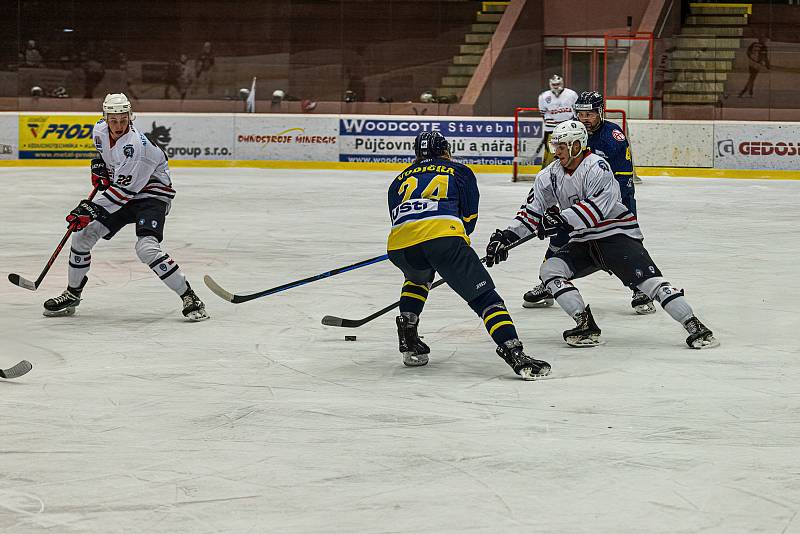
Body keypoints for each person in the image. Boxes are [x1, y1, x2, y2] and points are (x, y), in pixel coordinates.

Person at [486, 120, 717, 349]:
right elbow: (530, 213)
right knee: (550, 270)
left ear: (577, 145)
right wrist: (506, 237)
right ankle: (584, 324)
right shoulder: (548, 176)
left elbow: (598, 207)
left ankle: (694, 325)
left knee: (649, 283)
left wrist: (562, 219)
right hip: (583, 240)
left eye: (562, 146)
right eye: (555, 146)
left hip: (615, 234)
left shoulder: (598, 167)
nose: (556, 151)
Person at [386, 131, 550, 380]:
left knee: (418, 279)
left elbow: (400, 220)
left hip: (399, 247)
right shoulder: (459, 171)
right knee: (485, 298)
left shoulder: (398, 180)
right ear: (445, 151)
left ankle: (409, 334)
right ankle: (513, 351)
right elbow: (469, 219)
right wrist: (454, 250)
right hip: (443, 240)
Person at [43, 93, 209, 322]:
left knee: (147, 249)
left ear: (130, 117)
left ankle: (189, 296)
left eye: (123, 120)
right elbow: (105, 157)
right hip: (125, 193)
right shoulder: (99, 130)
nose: (119, 125)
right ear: (105, 118)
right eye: (114, 120)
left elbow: (122, 194)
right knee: (82, 237)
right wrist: (100, 166)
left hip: (151, 196)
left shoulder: (135, 147)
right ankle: (73, 293)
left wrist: (89, 210)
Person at [523, 91, 655, 314]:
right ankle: (549, 283)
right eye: (581, 113)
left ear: (600, 112)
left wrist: (610, 210)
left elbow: (622, 178)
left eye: (590, 114)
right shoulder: (570, 131)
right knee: (559, 236)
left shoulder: (613, 136)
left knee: (626, 241)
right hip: (577, 198)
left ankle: (639, 287)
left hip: (613, 198)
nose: (585, 118)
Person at [537, 74, 578, 168]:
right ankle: (546, 173)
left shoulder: (572, 94)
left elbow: (577, 111)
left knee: (569, 151)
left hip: (568, 129)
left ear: (562, 83)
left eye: (558, 84)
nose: (556, 86)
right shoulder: (543, 96)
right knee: (551, 152)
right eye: (554, 84)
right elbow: (543, 113)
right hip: (551, 130)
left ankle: (571, 170)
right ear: (550, 84)